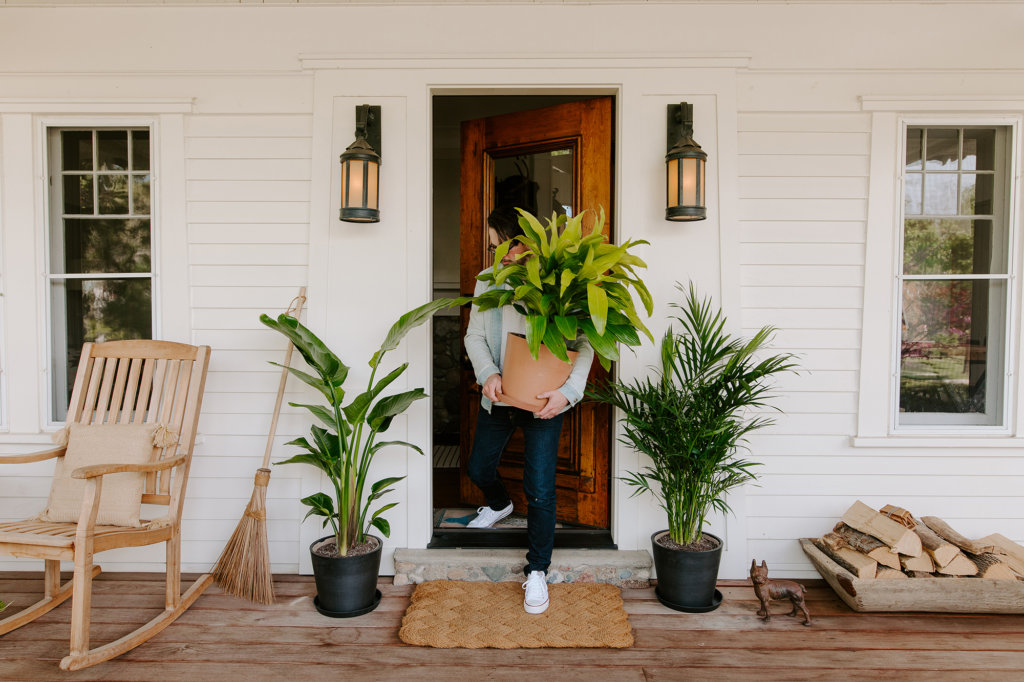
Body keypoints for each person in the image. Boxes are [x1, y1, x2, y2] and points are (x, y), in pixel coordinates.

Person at [463, 205, 595, 615]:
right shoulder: (488, 281)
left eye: (502, 244)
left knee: (540, 490)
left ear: (526, 241)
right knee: (478, 469)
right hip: (500, 396)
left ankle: (537, 570)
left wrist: (569, 393)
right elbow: (473, 336)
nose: (497, 255)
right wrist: (487, 373)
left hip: (544, 404)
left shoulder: (562, 281)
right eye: (492, 248)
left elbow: (586, 343)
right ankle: (500, 503)